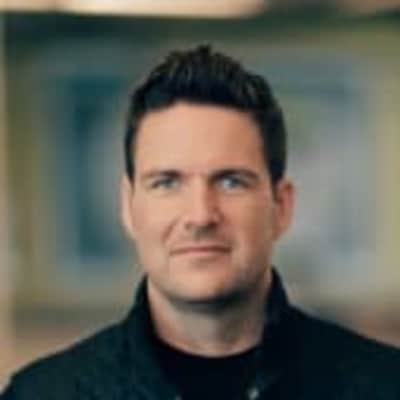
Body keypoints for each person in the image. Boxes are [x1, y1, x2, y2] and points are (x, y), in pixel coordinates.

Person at [2, 45, 400, 400]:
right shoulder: (41, 395)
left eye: (231, 182)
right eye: (166, 182)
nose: (200, 216)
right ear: (128, 206)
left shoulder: (385, 386)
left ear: (281, 206)